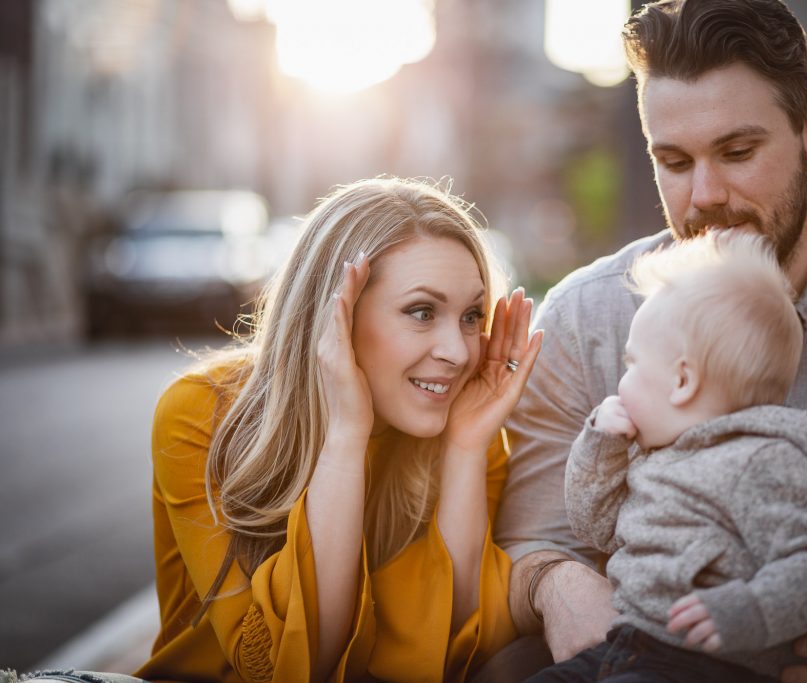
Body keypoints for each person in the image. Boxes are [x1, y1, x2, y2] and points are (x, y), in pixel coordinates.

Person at [495, 1, 807, 682]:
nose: (705, 195)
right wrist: (561, 588)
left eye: (737, 152)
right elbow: (531, 542)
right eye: (674, 161)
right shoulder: (584, 316)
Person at [9, 178, 543, 683]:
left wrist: (468, 446)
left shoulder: (464, 428)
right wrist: (344, 437)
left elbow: (459, 646)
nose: (457, 351)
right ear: (336, 318)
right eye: (422, 312)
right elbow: (276, 666)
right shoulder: (204, 413)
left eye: (472, 316)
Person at [524, 232, 807, 682]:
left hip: (706, 664)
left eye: (633, 364)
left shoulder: (762, 464)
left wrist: (746, 611)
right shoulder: (651, 455)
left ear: (682, 381)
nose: (622, 381)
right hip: (626, 642)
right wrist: (601, 446)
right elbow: (594, 525)